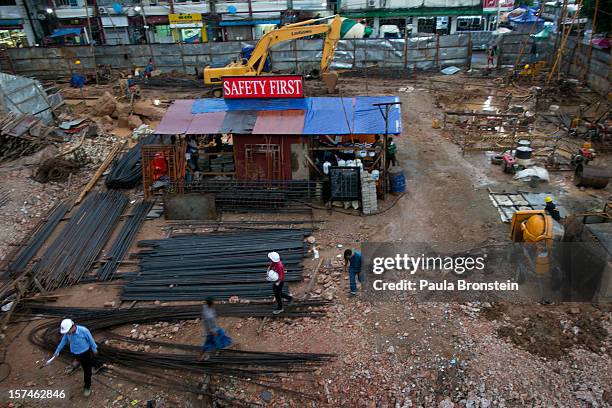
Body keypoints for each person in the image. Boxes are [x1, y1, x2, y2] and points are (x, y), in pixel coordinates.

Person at [51, 319, 102, 397]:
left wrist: (94, 349)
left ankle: (87, 387)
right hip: (75, 353)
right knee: (87, 362)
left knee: (87, 370)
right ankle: (98, 364)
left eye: (68, 331)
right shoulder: (68, 333)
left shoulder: (84, 330)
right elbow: (63, 342)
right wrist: (57, 351)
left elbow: (91, 341)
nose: (67, 333)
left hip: (85, 353)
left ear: (73, 327)